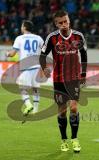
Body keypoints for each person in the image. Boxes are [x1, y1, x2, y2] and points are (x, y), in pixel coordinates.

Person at [39, 10, 87, 152]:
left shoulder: (78, 36)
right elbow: (42, 56)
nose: (64, 24)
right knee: (62, 111)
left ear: (69, 20)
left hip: (74, 78)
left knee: (73, 108)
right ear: (56, 24)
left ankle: (75, 139)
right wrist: (44, 68)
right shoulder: (52, 38)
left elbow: (83, 55)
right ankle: (64, 140)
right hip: (59, 79)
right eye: (61, 23)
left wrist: (83, 74)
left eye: (66, 21)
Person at [6, 20, 44, 114]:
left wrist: (7, 54)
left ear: (25, 27)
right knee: (35, 88)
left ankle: (28, 105)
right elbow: (45, 50)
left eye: (22, 26)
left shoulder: (19, 38)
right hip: (36, 65)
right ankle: (35, 109)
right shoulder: (38, 38)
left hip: (26, 66)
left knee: (23, 88)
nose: (21, 27)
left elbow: (13, 53)